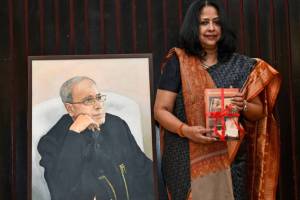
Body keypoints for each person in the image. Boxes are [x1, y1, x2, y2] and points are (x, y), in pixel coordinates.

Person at [154, 0, 281, 199]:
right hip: (184, 157)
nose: (211, 28)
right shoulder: (178, 63)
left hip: (229, 159)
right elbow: (160, 110)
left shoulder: (241, 65)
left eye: (216, 22)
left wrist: (243, 105)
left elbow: (258, 113)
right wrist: (187, 131)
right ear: (193, 27)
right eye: (204, 23)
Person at [38, 76, 154, 200]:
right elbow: (61, 192)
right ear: (70, 108)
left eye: (98, 98)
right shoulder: (50, 143)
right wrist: (74, 133)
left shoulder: (117, 124)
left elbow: (144, 170)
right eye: (88, 100)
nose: (98, 105)